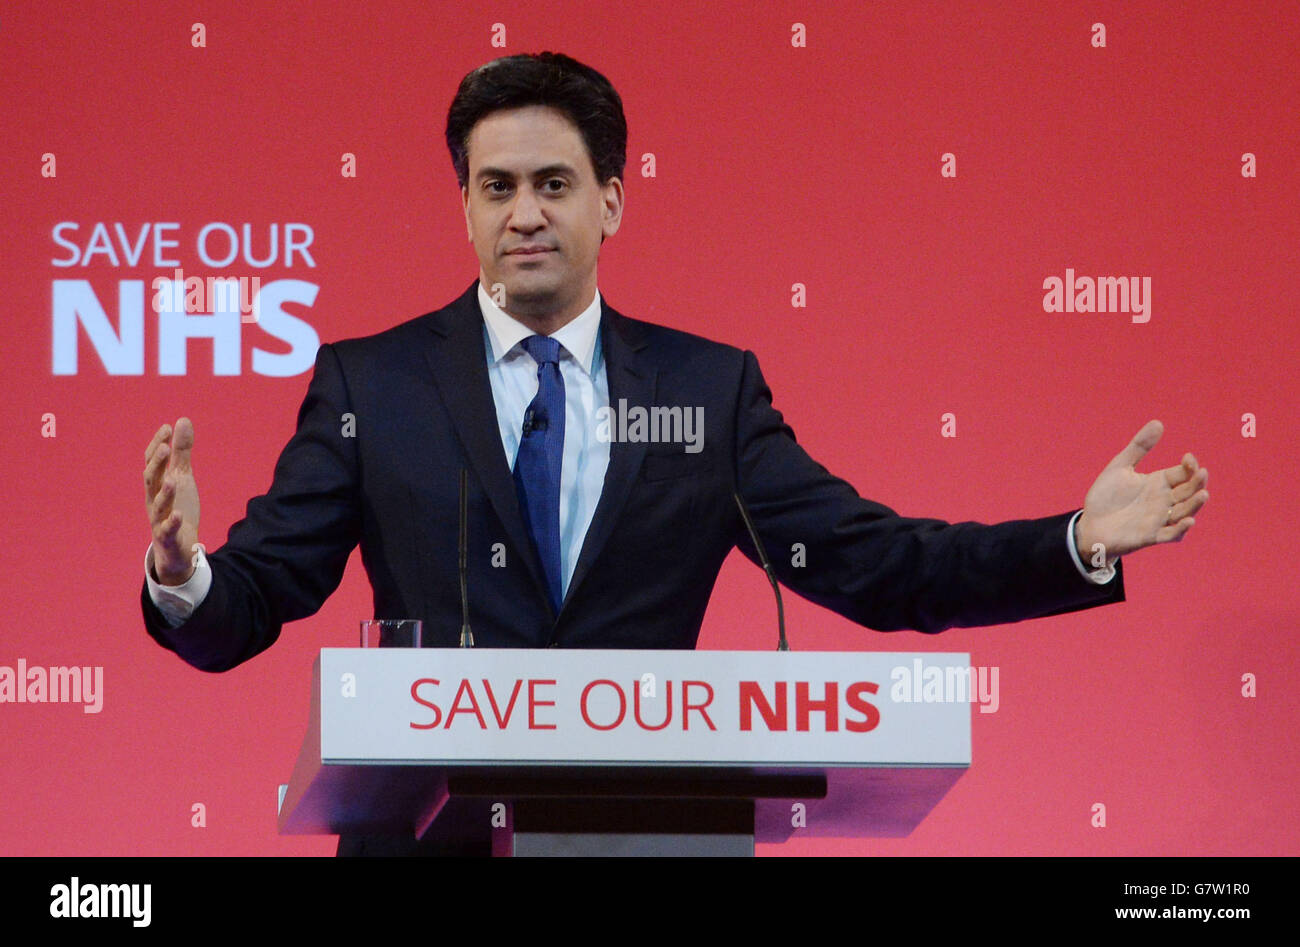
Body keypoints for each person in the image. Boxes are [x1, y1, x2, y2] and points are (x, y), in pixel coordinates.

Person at [139, 52, 1209, 855]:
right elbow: (261, 593)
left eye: (553, 184)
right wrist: (187, 574)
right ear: (461, 204)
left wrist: (1074, 541)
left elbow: (876, 565)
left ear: (610, 200)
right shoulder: (371, 383)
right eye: (495, 186)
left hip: (646, 838)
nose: (524, 214)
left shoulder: (707, 389)